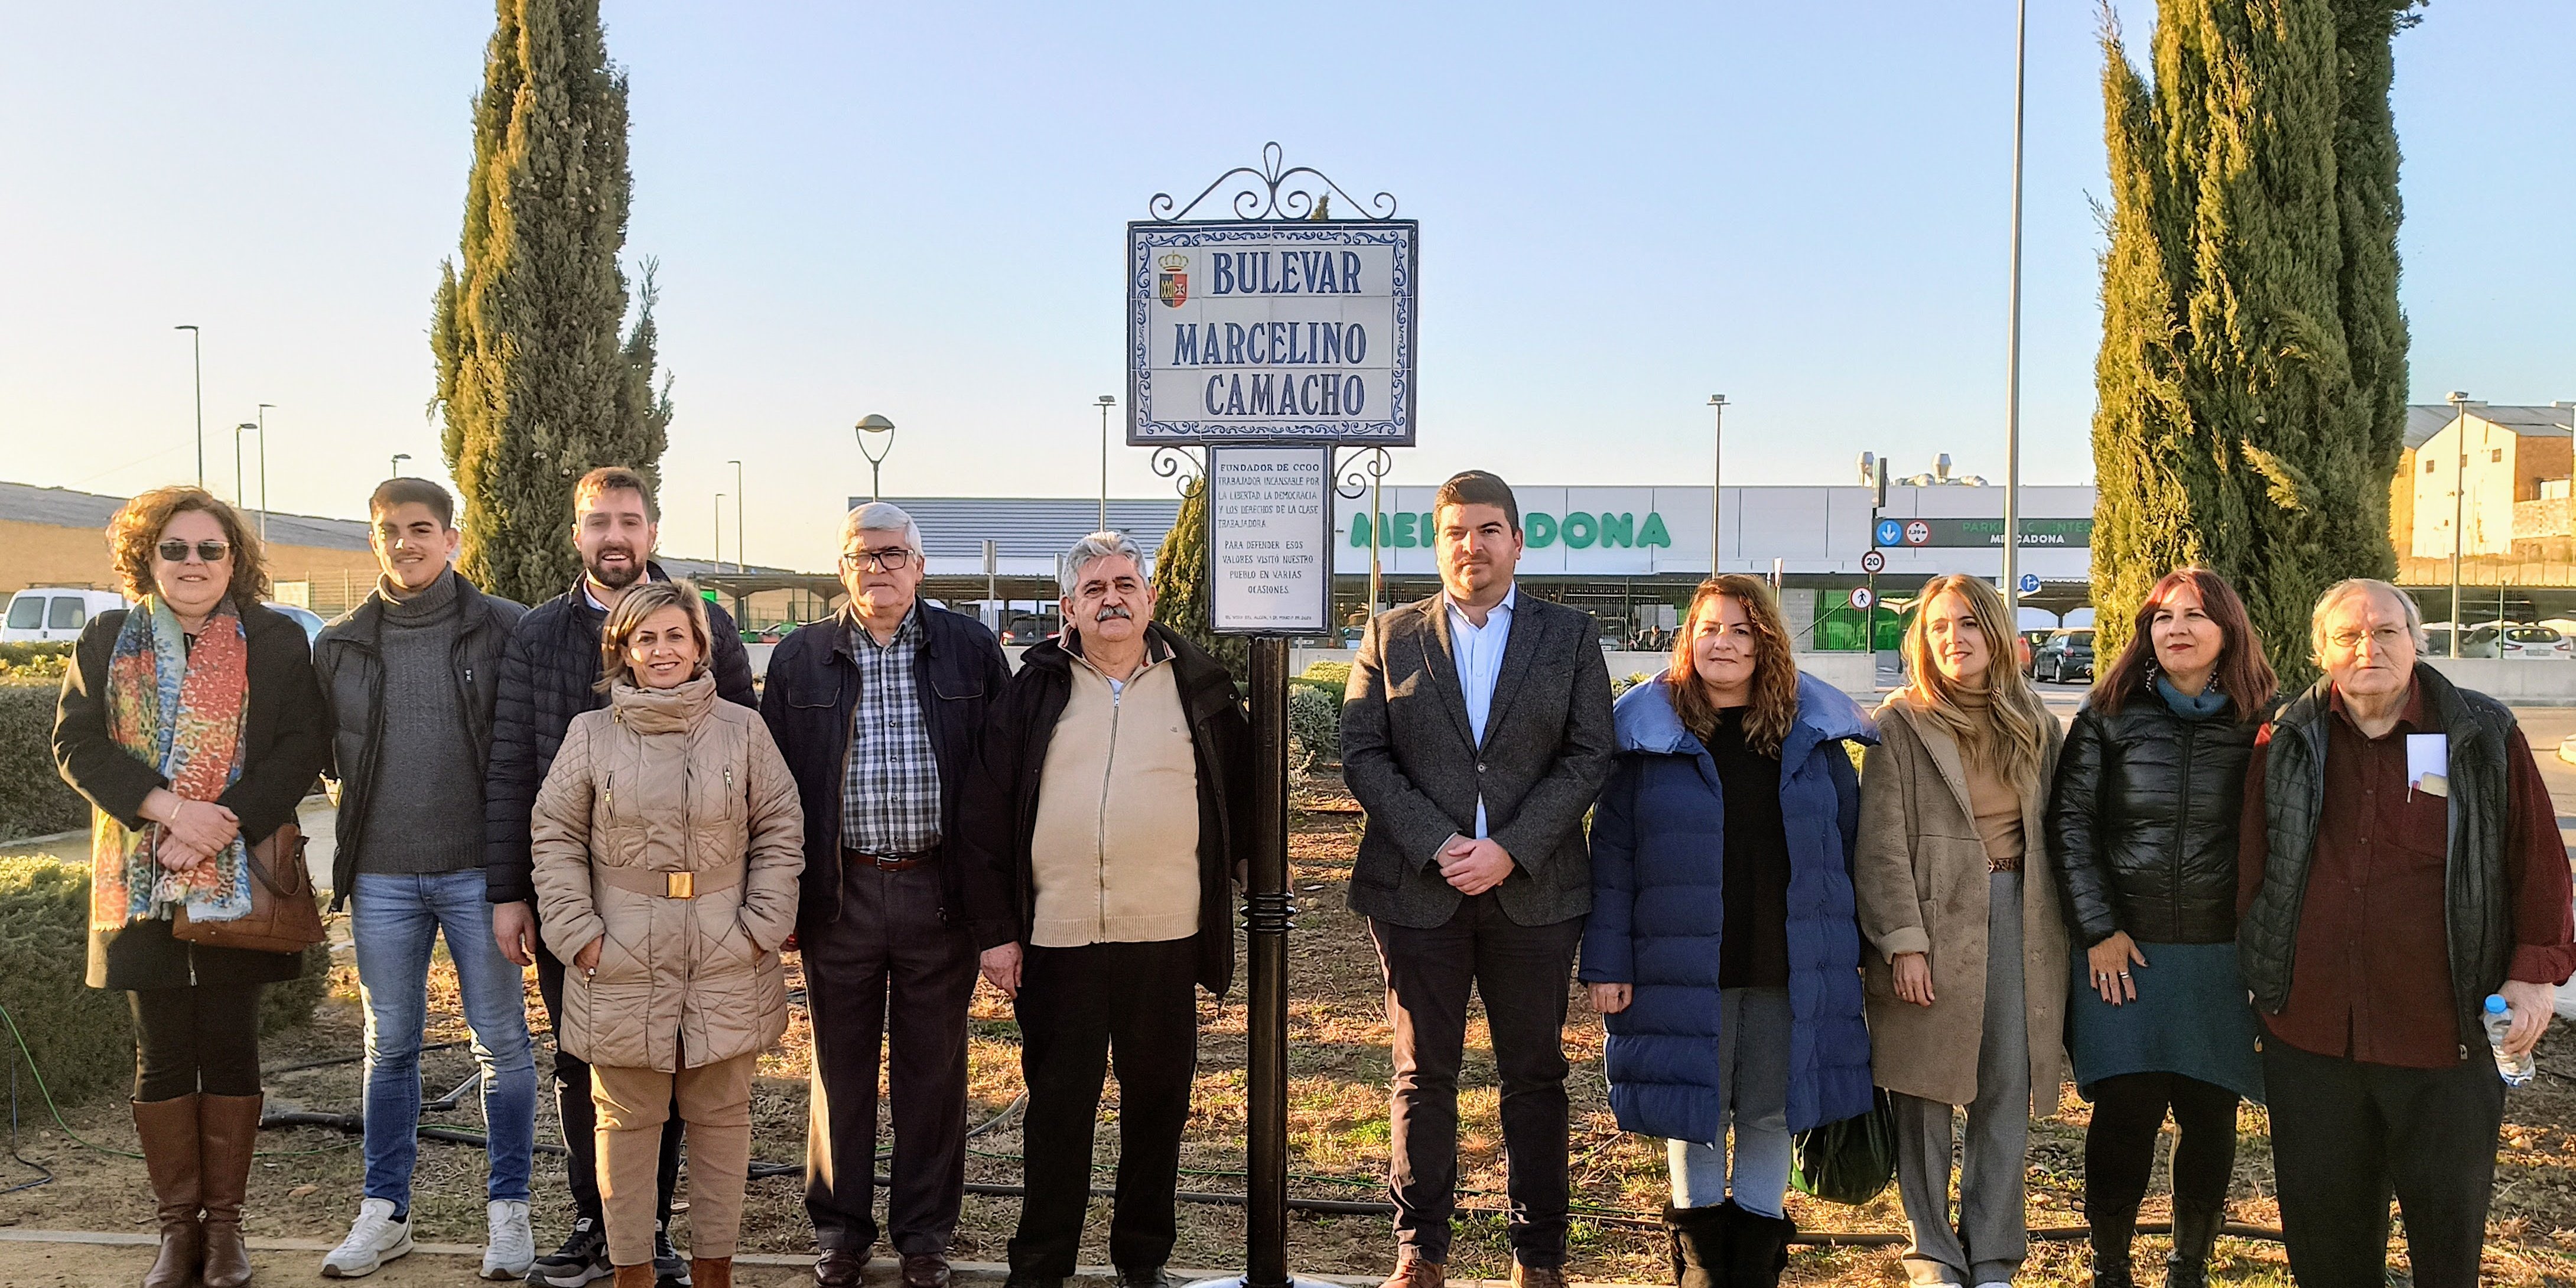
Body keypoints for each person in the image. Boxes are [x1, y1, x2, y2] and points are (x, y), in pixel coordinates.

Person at [2237, 578, 2575, 1288]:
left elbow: (2537, 858)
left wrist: (2532, 971)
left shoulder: (2481, 733)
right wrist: (2259, 972)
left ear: (2417, 641)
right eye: (2349, 634)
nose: (2369, 647)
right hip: (2313, 1033)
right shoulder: (2286, 735)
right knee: (2325, 1233)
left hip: (2442, 1031)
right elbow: (2254, 864)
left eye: (2386, 631)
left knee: (2445, 1234)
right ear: (2320, 650)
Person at [485, 466, 758, 1288]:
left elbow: (748, 767)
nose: (614, 535)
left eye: (629, 521)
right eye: (598, 521)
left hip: (692, 910)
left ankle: (658, 1232)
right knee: (587, 1062)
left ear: (652, 531)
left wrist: (751, 905)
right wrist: (514, 892)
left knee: (677, 1061)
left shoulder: (709, 622)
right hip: (583, 908)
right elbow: (512, 770)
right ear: (578, 533)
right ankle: (594, 1221)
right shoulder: (536, 634)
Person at [1341, 470, 1614, 1288]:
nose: (1473, 546)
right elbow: (1364, 752)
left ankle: (1540, 1256)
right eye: (1457, 532)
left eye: (1489, 530)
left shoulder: (1568, 636)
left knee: (1534, 1073)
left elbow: (1589, 752)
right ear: (1438, 542)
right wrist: (1442, 842)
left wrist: (1510, 847)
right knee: (1423, 1073)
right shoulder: (1390, 634)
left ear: (1518, 540)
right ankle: (1420, 1251)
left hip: (1533, 892)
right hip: (1418, 892)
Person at [51, 487, 330, 1288]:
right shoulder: (108, 636)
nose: (193, 563)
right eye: (175, 548)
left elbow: (299, 746)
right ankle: (179, 1232)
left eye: (211, 549)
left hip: (242, 879)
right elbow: (74, 742)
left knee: (233, 1046)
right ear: (148, 557)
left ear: (235, 561)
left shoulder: (275, 641)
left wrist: (220, 822)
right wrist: (172, 811)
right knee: (164, 1053)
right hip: (141, 875)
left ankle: (228, 1232)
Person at [958, 532, 1250, 1288]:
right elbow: (983, 818)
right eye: (1094, 588)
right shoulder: (1032, 691)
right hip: (1059, 938)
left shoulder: (1203, 688)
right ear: (1069, 607)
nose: (1112, 598)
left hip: (1166, 934)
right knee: (1059, 1110)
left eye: (1125, 583)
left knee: (1158, 1104)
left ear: (1150, 598)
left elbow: (1242, 799)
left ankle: (1141, 1258)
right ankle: (1041, 1265)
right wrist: (995, 933)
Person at [1579, 575, 1875, 1288]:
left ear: (1764, 642)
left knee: (1772, 1112)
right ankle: (1705, 1272)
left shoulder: (1812, 743)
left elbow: (1849, 850)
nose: (1723, 642)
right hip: (1679, 964)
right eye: (1709, 627)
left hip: (1788, 962)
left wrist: (1858, 957)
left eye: (1740, 630)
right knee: (1695, 1111)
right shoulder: (1650, 742)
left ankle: (1750, 1273)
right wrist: (1605, 962)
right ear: (1688, 640)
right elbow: (1611, 860)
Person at [759, 503, 1008, 1288]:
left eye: (894, 553)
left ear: (920, 566)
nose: (879, 567)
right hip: (840, 893)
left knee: (934, 1072)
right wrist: (786, 901)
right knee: (840, 1068)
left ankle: (926, 1235)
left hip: (941, 891)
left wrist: (998, 911)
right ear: (842, 568)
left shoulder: (970, 650)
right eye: (862, 555)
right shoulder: (800, 658)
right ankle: (840, 1229)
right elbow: (774, 793)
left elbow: (1004, 783)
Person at [529, 580, 805, 1288]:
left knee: (721, 1118)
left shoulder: (744, 730)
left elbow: (779, 825)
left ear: (699, 645)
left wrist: (760, 927)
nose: (661, 650)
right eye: (645, 637)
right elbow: (554, 832)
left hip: (726, 948)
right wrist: (577, 930)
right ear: (622, 649)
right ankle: (631, 1272)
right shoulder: (590, 735)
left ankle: (715, 1268)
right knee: (624, 1122)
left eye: (675, 635)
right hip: (619, 951)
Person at [313, 478, 538, 1280]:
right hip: (381, 879)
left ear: (452, 539)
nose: (405, 543)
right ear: (373, 540)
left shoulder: (508, 629)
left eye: (420, 529)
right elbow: (314, 756)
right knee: (389, 1046)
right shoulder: (338, 644)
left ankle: (510, 1215)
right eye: (388, 531)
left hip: (482, 876)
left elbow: (531, 750)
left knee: (503, 1045)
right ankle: (386, 1213)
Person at [2044, 569, 2274, 1288]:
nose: (2176, 627)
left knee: (2210, 1118)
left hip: (2220, 958)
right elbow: (2070, 824)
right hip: (2125, 954)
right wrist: (2099, 929)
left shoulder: (2266, 718)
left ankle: (2188, 1265)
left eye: (2195, 614)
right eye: (2162, 616)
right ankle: (2110, 1263)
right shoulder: (2108, 712)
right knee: (2123, 1117)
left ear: (2228, 629)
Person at [1853, 573, 2067, 1288]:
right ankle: (1932, 1252)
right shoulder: (1899, 723)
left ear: (1997, 634)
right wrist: (1901, 941)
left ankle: (1995, 1254)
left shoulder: (2036, 721)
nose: (1954, 638)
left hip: (2018, 912)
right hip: (1931, 918)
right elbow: (1879, 842)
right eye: (1940, 626)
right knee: (1922, 1090)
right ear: (1922, 638)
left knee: (2005, 1086)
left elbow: (2058, 833)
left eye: (1969, 624)